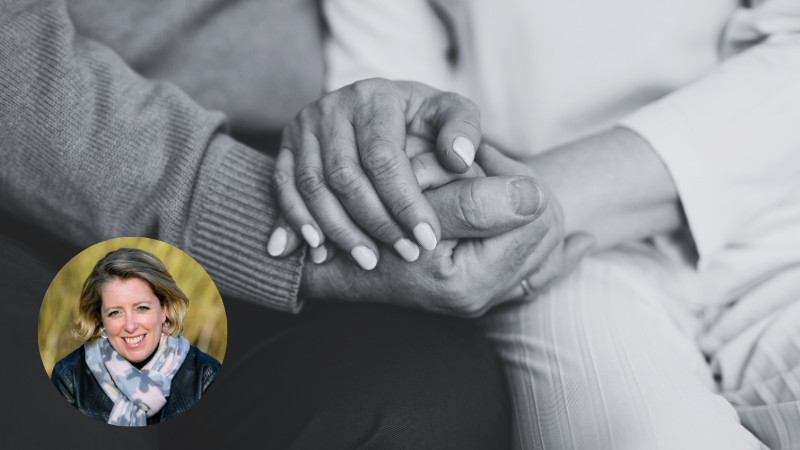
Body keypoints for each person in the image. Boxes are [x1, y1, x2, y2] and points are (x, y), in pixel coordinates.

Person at [263, 0, 800, 449]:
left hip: (771, 203)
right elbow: (393, 100)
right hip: (562, 267)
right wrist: (415, 191)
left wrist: (518, 203)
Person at [0, 1, 525, 447]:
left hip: (289, 165)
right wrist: (274, 225)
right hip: (32, 192)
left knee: (418, 411)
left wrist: (399, 165)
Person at [50, 248, 220, 426]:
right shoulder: (70, 378)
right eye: (115, 312)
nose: (130, 326)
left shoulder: (205, 376)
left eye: (142, 308)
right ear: (100, 318)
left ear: (164, 310)